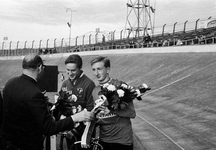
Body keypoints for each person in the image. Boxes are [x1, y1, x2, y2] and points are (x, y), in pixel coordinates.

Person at [0, 54, 94, 150]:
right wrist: (75, 118)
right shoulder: (34, 93)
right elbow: (49, 128)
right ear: (40, 67)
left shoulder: (10, 83)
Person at [90, 56, 136, 150]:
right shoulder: (95, 91)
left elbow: (132, 113)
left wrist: (111, 110)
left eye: (99, 69)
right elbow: (98, 117)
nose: (96, 73)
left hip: (122, 141)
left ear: (107, 69)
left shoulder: (120, 86)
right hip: (104, 140)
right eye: (94, 70)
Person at [55, 54, 96, 150]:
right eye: (67, 70)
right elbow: (60, 106)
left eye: (73, 70)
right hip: (69, 129)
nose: (70, 73)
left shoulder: (89, 84)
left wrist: (76, 127)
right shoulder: (65, 83)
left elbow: (91, 110)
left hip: (83, 131)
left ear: (80, 68)